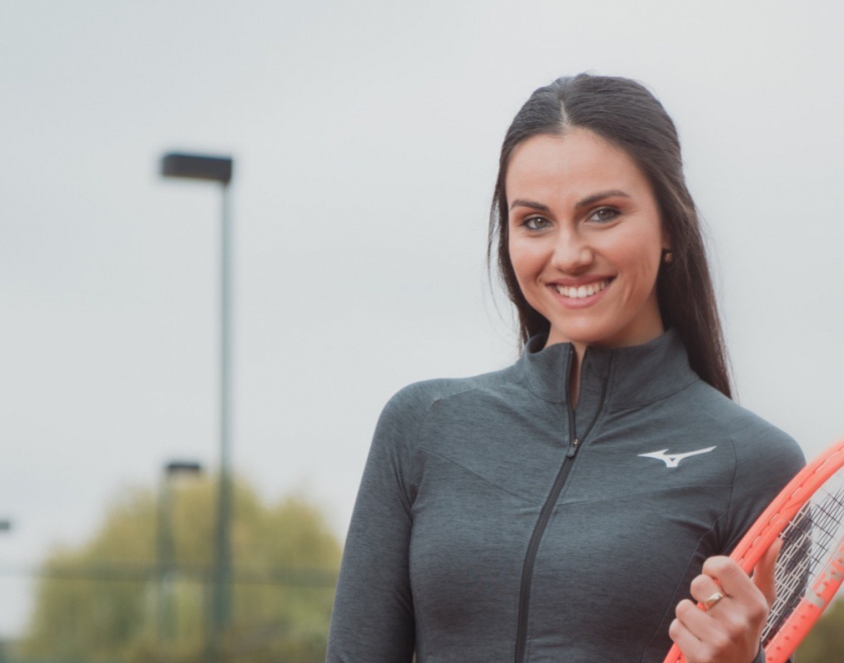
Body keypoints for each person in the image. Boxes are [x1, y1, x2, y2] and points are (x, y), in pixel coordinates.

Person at [326, 73, 805, 663]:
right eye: (535, 221)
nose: (569, 255)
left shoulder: (757, 463)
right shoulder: (423, 426)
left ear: (671, 227)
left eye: (603, 213)